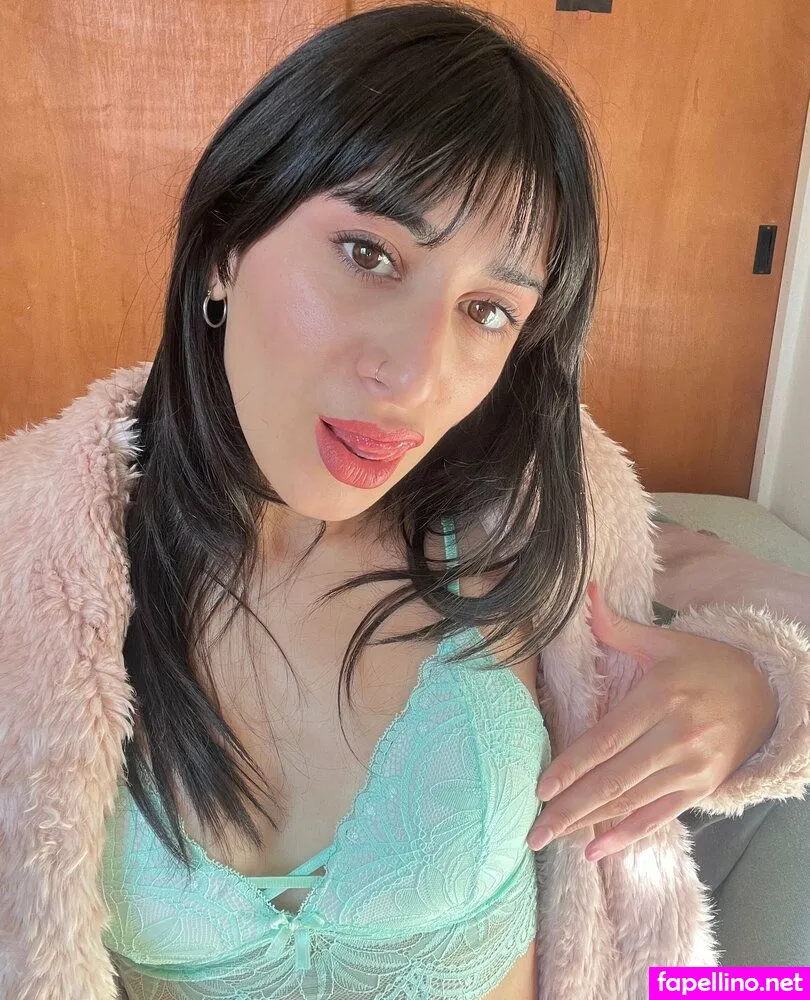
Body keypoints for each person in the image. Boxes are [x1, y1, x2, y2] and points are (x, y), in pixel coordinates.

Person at [1, 4, 808, 999]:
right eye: (369, 255)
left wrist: (761, 694)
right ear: (224, 244)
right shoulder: (30, 547)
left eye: (487, 310)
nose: (417, 376)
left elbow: (751, 594)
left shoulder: (540, 507)